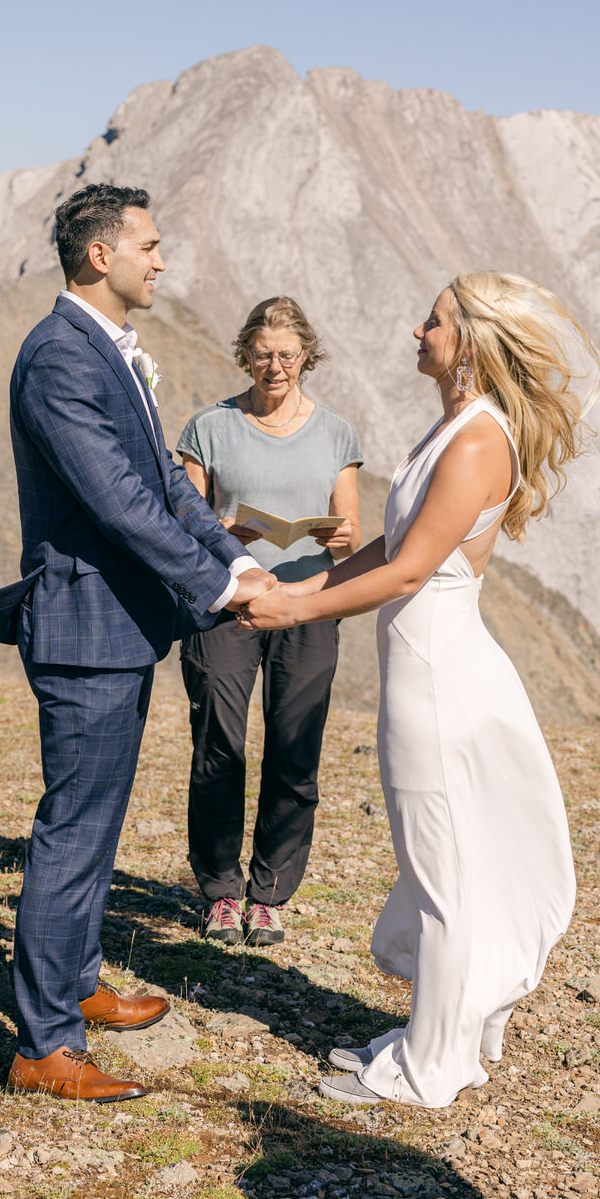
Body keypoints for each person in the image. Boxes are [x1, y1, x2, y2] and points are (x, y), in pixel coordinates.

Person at [240, 271, 591, 1107]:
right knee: (435, 858)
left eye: (430, 322)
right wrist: (294, 593)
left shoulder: (476, 439)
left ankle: (432, 1068)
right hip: (425, 662)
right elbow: (392, 546)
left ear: (467, 341)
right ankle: (442, 1030)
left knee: (439, 867)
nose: (414, 332)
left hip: (436, 674)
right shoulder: (458, 426)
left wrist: (297, 610)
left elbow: (406, 568)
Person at [0, 183, 275, 1105]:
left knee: (95, 824)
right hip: (82, 624)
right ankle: (43, 1046)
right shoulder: (59, 356)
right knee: (72, 831)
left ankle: (76, 981)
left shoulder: (108, 349)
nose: (162, 259)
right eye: (149, 244)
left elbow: (172, 493)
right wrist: (218, 586)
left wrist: (234, 562)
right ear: (99, 255)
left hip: (120, 623)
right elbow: (117, 501)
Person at [176, 297, 362, 947]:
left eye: (286, 354)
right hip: (226, 602)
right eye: (262, 354)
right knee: (219, 746)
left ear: (306, 355)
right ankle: (221, 893)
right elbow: (180, 525)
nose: (274, 366)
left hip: (309, 603)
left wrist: (337, 537)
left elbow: (351, 531)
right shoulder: (208, 428)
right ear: (244, 354)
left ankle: (270, 894)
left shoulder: (338, 433)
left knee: (294, 751)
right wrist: (224, 532)